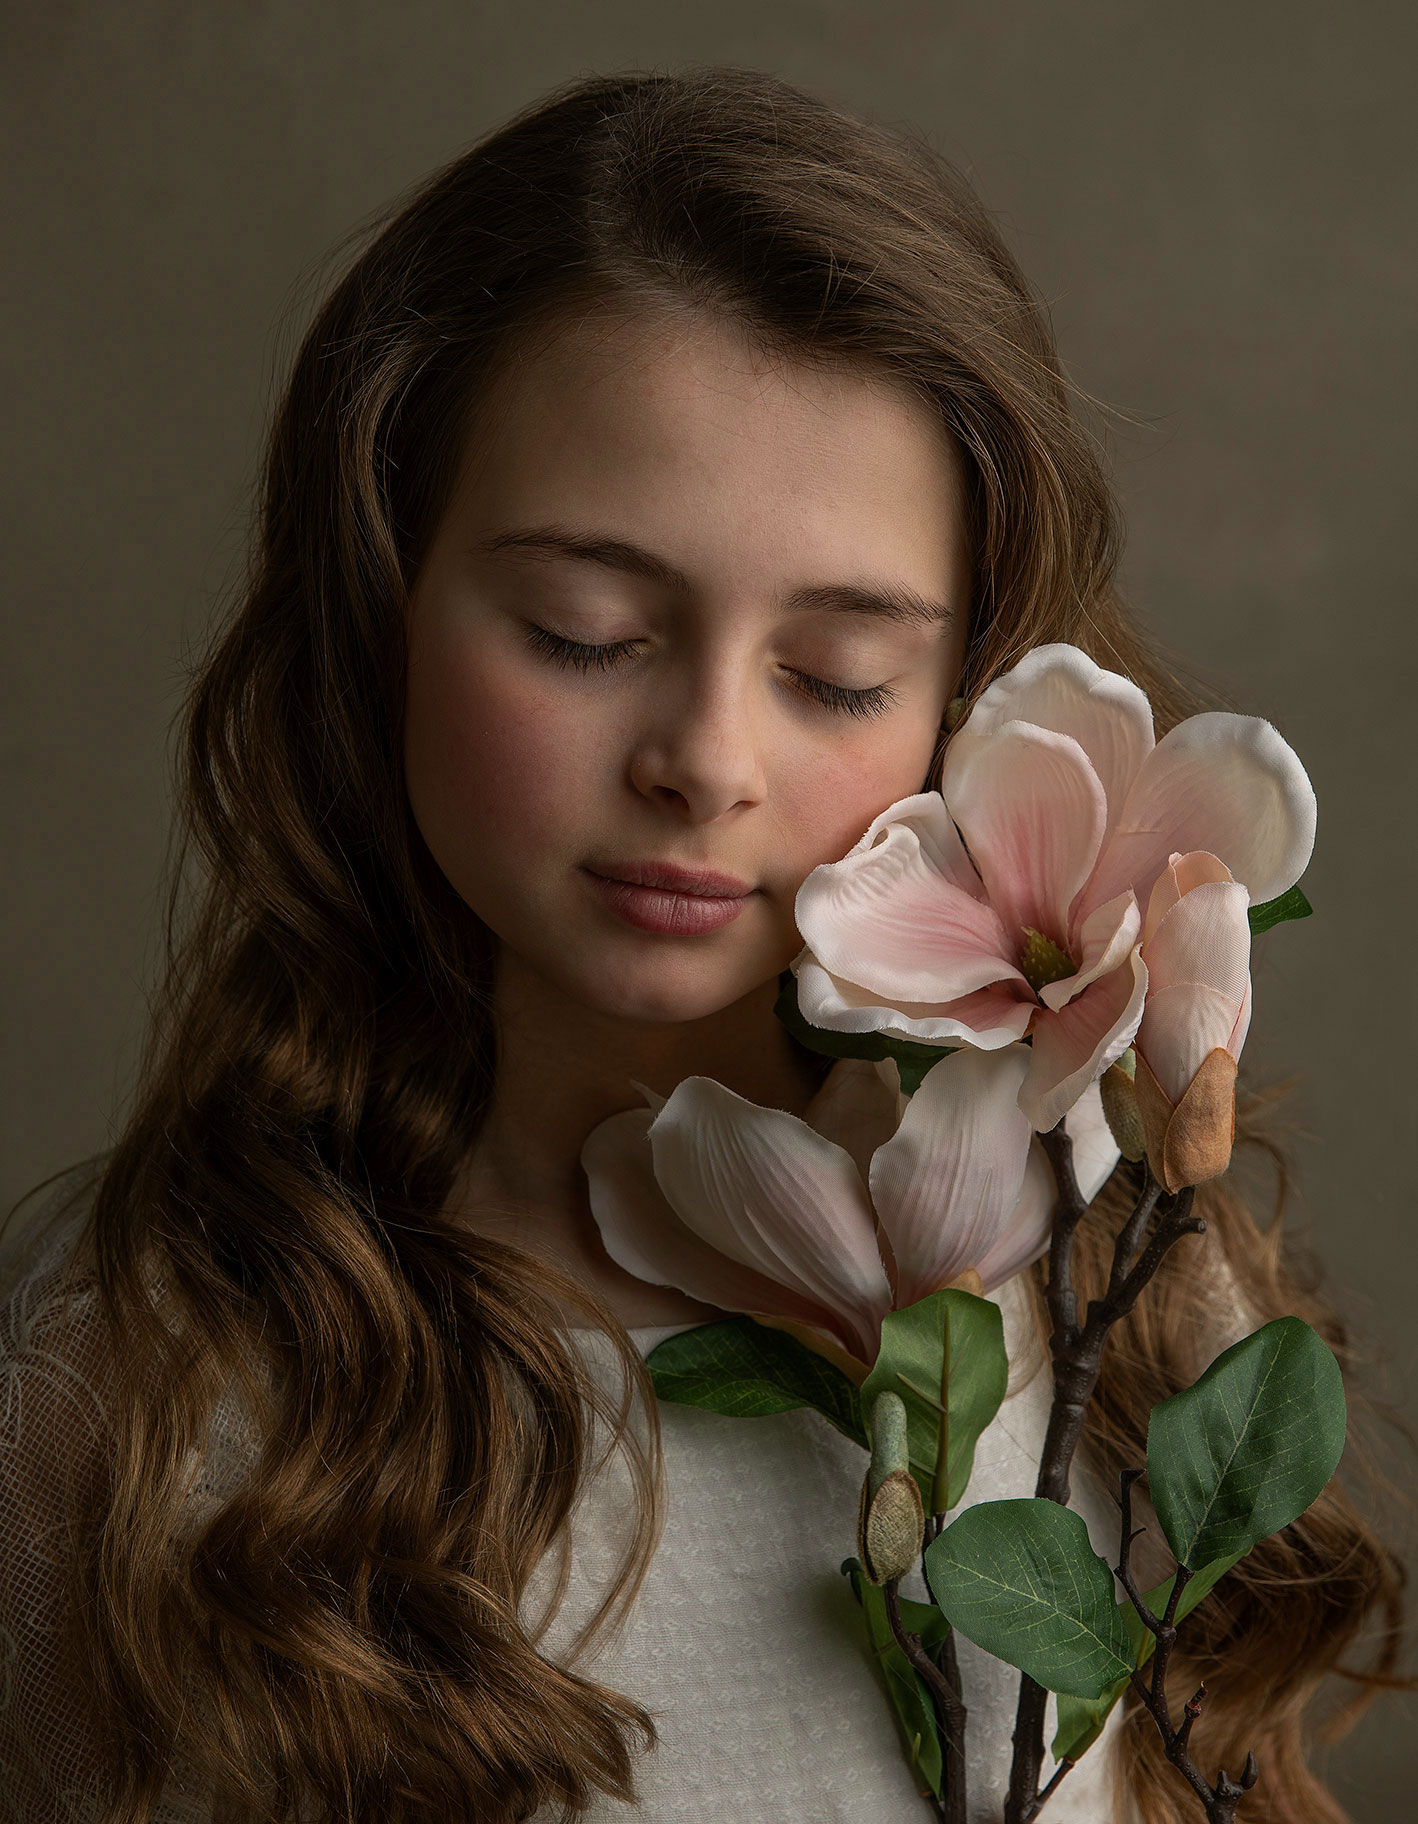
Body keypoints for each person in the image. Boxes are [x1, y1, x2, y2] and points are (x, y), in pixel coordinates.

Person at [0, 64, 1405, 1824]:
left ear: (966, 699)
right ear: (383, 608)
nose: (706, 765)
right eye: (584, 631)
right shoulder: (130, 1390)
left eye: (834, 676)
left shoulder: (1113, 1319)